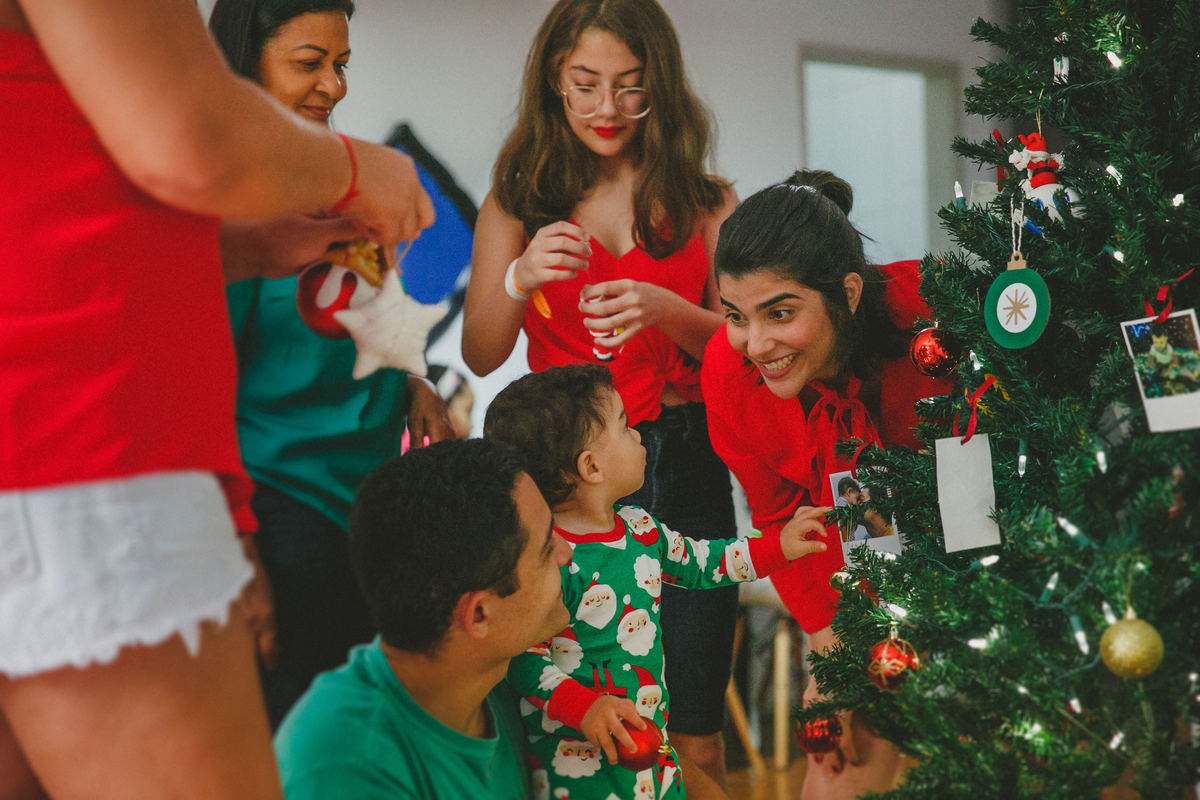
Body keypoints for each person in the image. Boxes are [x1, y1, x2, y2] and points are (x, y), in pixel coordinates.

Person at [0, 0, 433, 795]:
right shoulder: (276, 165)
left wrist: (241, 246)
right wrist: (364, 167)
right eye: (309, 63)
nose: (330, 85)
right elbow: (185, 133)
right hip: (78, 438)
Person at [462, 0, 740, 782]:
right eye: (586, 85)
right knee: (574, 724)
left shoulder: (707, 200)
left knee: (692, 726)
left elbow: (747, 354)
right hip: (561, 480)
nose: (607, 109)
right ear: (555, 79)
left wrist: (669, 311)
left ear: (662, 86)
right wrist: (519, 277)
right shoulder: (518, 201)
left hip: (685, 462)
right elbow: (480, 354)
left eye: (630, 87)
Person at [208, 0, 456, 728]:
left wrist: (413, 379)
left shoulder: (336, 176)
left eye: (341, 64)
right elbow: (201, 388)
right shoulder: (230, 195)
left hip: (367, 509)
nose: (334, 86)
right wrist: (241, 547)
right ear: (248, 61)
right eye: (309, 64)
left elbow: (363, 318)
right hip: (286, 513)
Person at [701, 170, 952, 797]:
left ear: (848, 291)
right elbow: (778, 522)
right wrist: (830, 648)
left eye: (779, 313)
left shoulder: (937, 315)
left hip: (989, 568)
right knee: (839, 763)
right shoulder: (730, 378)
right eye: (736, 315)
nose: (755, 343)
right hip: (865, 593)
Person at [484, 364, 830, 799]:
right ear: (591, 466)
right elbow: (523, 659)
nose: (640, 436)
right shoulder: (549, 558)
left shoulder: (641, 529)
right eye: (626, 426)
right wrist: (585, 707)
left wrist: (780, 545)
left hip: (653, 756)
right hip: (580, 769)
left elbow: (707, 563)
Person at [273, 438, 573, 798]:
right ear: (479, 614)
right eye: (545, 549)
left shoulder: (489, 673)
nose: (566, 552)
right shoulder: (346, 772)